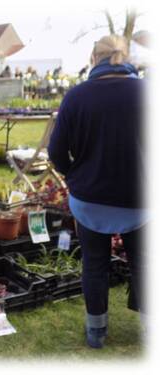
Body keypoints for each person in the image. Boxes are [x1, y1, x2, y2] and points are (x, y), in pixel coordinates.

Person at [48, 35, 146, 349]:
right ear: (125, 56)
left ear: (94, 58)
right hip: (141, 200)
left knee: (94, 264)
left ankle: (96, 333)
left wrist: (73, 175)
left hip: (90, 198)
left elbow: (57, 152)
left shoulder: (77, 96)